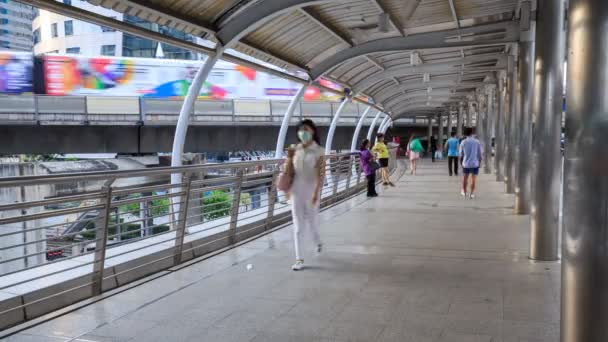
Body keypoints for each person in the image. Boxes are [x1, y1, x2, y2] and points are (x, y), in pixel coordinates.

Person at [285, 119, 325, 271]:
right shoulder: (294, 149)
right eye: (300, 130)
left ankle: (317, 241)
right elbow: (289, 171)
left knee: (313, 223)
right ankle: (299, 259)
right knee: (298, 227)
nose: (303, 133)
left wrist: (316, 193)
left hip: (312, 191)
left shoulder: (319, 150)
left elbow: (321, 173)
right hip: (296, 191)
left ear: (313, 131)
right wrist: (287, 191)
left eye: (306, 129)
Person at [460, 127, 483, 199]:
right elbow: (480, 154)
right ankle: (472, 194)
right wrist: (479, 161)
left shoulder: (463, 142)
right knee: (473, 179)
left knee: (465, 178)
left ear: (465, 133)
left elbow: (461, 154)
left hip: (466, 164)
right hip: (475, 163)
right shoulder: (477, 142)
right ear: (472, 132)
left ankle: (464, 191)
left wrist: (461, 162)